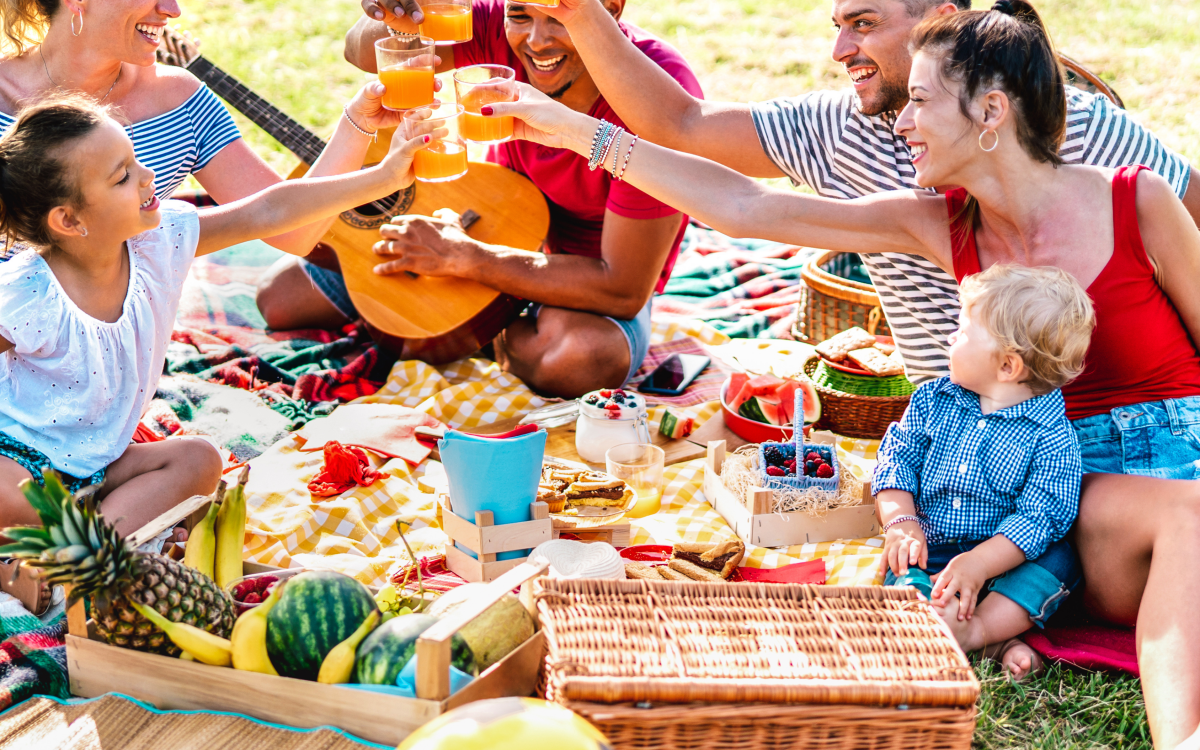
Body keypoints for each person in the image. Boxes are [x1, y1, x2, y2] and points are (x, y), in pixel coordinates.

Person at [489, 2, 1200, 745]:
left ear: (991, 111)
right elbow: (744, 204)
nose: (901, 123)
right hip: (1092, 511)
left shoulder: (1137, 199)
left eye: (920, 101)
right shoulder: (937, 224)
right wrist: (578, 133)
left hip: (1183, 463)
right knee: (1189, 514)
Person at [500, 0, 1198, 385]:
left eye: (863, 23)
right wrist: (577, 68)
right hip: (970, 432)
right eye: (837, 26)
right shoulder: (894, 179)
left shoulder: (1082, 138)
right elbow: (718, 173)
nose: (839, 50)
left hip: (1132, 418)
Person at [0, 93, 429, 535]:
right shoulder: (26, 296)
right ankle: (84, 553)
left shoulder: (160, 240)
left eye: (135, 159)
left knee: (198, 459)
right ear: (69, 220)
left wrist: (383, 177)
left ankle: (71, 555)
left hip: (100, 465)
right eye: (123, 176)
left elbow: (270, 209)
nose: (149, 176)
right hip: (18, 462)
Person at [254, 0, 700, 398]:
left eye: (560, 18)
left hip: (582, 280)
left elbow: (621, 289)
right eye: (520, 15)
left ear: (612, 8)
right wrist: (396, 17)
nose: (536, 41)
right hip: (490, 217)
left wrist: (462, 258)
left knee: (579, 358)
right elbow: (362, 52)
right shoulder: (490, 23)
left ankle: (466, 330)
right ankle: (458, 324)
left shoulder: (656, 95)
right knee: (280, 298)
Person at [0, 0, 404, 257]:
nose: (173, 9)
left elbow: (290, 231)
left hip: (116, 355)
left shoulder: (180, 100)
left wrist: (357, 125)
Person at [876, 265, 1094, 679]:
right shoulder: (932, 400)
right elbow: (896, 461)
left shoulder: (1052, 435)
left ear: (1008, 367)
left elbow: (1040, 517)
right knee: (906, 563)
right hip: (933, 543)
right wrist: (901, 522)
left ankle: (977, 630)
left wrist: (979, 564)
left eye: (962, 331)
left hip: (1007, 558)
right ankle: (938, 616)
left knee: (1060, 561)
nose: (949, 337)